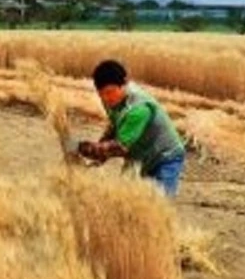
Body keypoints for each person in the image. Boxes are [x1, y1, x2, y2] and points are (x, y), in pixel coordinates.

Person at [77, 60, 186, 197]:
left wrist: (88, 149)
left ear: (124, 84)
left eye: (110, 92)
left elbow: (119, 147)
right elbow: (115, 125)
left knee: (158, 203)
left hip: (165, 158)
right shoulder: (110, 100)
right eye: (101, 94)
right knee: (125, 198)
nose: (106, 98)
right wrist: (96, 155)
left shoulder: (138, 109)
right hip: (139, 155)